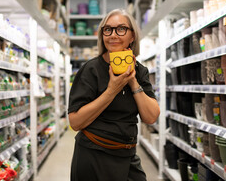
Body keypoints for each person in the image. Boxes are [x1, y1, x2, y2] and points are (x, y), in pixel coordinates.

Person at [68, 9, 160, 181]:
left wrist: (132, 82)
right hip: (93, 155)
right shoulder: (91, 70)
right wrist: (112, 90)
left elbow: (151, 116)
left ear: (132, 36)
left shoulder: (140, 71)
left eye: (121, 29)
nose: (113, 35)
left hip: (127, 154)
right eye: (107, 29)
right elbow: (75, 121)